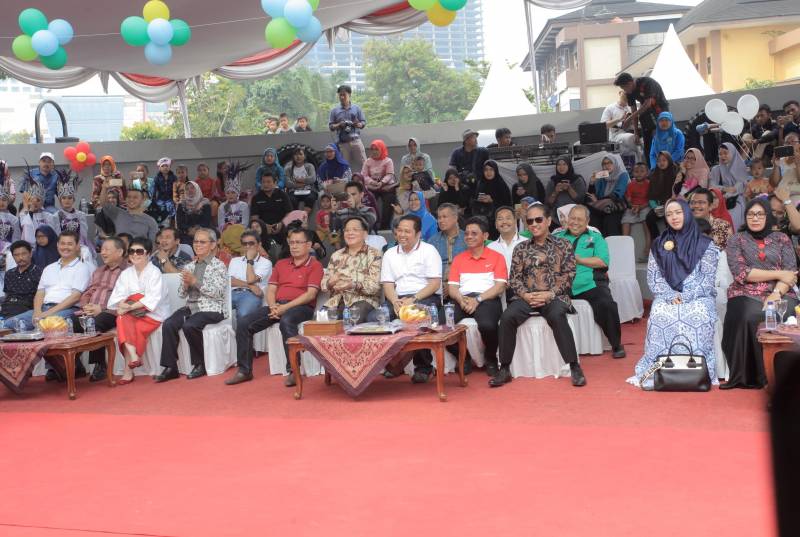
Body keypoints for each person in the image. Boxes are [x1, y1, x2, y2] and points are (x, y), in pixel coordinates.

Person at [627, 199, 719, 389]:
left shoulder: (705, 244)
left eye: (678, 212)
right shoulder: (659, 244)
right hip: (668, 295)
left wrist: (686, 296)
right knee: (659, 313)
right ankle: (661, 370)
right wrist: (669, 295)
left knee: (699, 314)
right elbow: (654, 278)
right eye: (669, 214)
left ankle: (699, 371)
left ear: (687, 213)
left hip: (698, 296)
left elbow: (707, 278)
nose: (674, 217)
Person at [495, 203, 585, 388]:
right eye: (530, 221)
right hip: (527, 297)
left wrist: (549, 294)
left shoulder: (563, 245)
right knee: (507, 317)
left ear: (549, 221)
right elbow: (514, 278)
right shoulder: (521, 248)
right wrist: (526, 295)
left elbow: (569, 275)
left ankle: (574, 366)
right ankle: (504, 368)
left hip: (555, 297)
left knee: (557, 315)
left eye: (538, 219)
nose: (534, 224)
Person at [226, 228, 322, 386]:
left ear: (309, 245)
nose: (294, 246)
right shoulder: (281, 264)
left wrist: (285, 308)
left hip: (301, 307)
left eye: (298, 242)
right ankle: (244, 370)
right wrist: (273, 306)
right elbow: (271, 290)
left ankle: (293, 370)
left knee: (286, 321)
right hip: (277, 305)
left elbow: (310, 295)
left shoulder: (315, 265)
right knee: (244, 323)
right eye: (291, 242)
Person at [722, 198, 798, 389]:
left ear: (768, 216)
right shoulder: (736, 239)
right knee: (748, 314)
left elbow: (791, 273)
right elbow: (742, 273)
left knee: (788, 312)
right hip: (745, 291)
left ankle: (784, 376)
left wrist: (776, 293)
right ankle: (751, 376)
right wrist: (779, 273)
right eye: (750, 214)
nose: (755, 218)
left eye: (760, 214)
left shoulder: (782, 238)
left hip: (781, 290)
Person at [156, 228, 228, 382]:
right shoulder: (189, 266)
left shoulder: (219, 266)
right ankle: (170, 367)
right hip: (191, 307)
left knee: (190, 325)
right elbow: (182, 294)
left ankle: (200, 364)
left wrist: (195, 281)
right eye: (196, 241)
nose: (198, 245)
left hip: (212, 308)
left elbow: (217, 293)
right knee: (169, 324)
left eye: (202, 242)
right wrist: (186, 284)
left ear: (212, 245)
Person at [555, 205, 625, 358]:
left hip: (589, 284)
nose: (575, 222)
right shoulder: (557, 237)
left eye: (579, 219)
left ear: (587, 221)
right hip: (561, 285)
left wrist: (579, 260)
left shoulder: (595, 237)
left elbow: (602, 261)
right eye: (572, 218)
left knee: (607, 304)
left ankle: (616, 344)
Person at [380, 215, 443, 383]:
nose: (402, 234)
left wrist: (413, 299)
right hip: (398, 298)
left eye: (407, 231)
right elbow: (387, 284)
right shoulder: (390, 253)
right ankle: (392, 364)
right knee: (376, 317)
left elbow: (435, 284)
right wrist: (395, 301)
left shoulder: (429, 250)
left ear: (418, 234)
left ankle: (424, 368)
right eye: (399, 230)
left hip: (424, 296)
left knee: (415, 317)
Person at [447, 217, 507, 376]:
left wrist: (478, 299)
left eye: (474, 233)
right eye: (466, 233)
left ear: (485, 236)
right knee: (438, 326)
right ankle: (463, 356)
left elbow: (500, 287)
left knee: (488, 325)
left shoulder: (497, 257)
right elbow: (452, 288)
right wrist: (461, 300)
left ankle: (491, 358)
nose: (469, 236)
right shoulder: (459, 259)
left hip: (487, 299)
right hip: (462, 298)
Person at [107, 237, 170, 384]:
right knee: (122, 319)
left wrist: (129, 306)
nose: (135, 254)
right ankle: (133, 357)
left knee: (123, 321)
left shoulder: (154, 272)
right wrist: (123, 305)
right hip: (130, 313)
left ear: (148, 253)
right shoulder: (126, 273)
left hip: (152, 314)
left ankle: (128, 370)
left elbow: (153, 298)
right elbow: (117, 296)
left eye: (139, 251)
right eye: (132, 251)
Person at [73, 236, 128, 382]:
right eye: (102, 249)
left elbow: (126, 296)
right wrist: (86, 305)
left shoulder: (127, 271)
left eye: (107, 249)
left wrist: (101, 308)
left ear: (120, 252)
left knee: (94, 323)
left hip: (112, 311)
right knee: (70, 322)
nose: (102, 253)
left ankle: (100, 364)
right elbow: (89, 291)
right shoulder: (98, 271)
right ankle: (76, 365)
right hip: (90, 310)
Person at [321, 216, 382, 322]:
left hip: (363, 301)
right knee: (319, 324)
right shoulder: (336, 255)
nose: (350, 233)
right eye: (347, 230)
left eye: (355, 230)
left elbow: (374, 287)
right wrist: (330, 282)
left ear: (365, 233)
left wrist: (352, 285)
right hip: (336, 302)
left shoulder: (375, 254)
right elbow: (323, 285)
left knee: (352, 319)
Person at [614, 73, 669, 162]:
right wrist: (636, 133)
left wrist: (629, 119)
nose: (624, 90)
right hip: (646, 114)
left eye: (625, 87)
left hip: (659, 111)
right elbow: (634, 110)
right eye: (622, 88)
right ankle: (651, 167)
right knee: (647, 146)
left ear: (630, 83)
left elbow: (647, 104)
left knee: (659, 143)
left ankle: (665, 165)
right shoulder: (629, 93)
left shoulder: (646, 83)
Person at [228, 229, 273, 322]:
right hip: (232, 293)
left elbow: (251, 279)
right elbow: (230, 281)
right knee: (215, 310)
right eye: (244, 244)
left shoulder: (266, 263)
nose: (247, 246)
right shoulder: (235, 260)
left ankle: (240, 332)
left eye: (251, 243)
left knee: (243, 314)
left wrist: (250, 260)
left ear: (259, 245)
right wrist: (250, 286)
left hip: (251, 295)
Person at [427, 203, 467, 299]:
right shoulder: (433, 241)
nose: (441, 220)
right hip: (438, 287)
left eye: (444, 217)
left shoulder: (467, 239)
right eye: (439, 217)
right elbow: (428, 268)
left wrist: (452, 285)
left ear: (455, 218)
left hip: (463, 285)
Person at [0, 241, 42, 329]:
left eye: (24, 254)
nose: (20, 258)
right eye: (16, 255)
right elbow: (7, 295)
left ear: (30, 254)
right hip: (6, 311)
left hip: (26, 313)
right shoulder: (9, 273)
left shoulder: (40, 272)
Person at [586, 153, 629, 236]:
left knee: (610, 220)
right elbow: (591, 195)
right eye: (604, 164)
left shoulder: (623, 175)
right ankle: (596, 242)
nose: (607, 166)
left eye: (610, 163)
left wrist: (598, 201)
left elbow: (618, 194)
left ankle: (612, 243)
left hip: (616, 206)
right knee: (593, 220)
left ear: (614, 163)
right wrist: (592, 183)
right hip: (602, 208)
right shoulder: (602, 177)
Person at [710, 142, 749, 230]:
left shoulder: (740, 168)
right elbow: (711, 186)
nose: (722, 156)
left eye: (725, 153)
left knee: (733, 214)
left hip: (736, 201)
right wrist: (725, 189)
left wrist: (727, 193)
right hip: (719, 200)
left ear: (732, 153)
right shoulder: (716, 170)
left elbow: (737, 188)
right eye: (720, 154)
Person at [329, 84, 368, 172]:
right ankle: (347, 181)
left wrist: (357, 124)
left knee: (364, 164)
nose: (342, 97)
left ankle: (366, 180)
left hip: (356, 141)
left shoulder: (356, 108)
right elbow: (331, 126)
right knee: (344, 167)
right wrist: (339, 125)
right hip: (342, 143)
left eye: (344, 95)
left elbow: (363, 123)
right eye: (340, 95)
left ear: (349, 94)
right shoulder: (334, 111)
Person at [250, 172, 293, 245]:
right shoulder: (256, 198)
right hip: (263, 228)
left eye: (268, 182)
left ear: (275, 183)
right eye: (263, 182)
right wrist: (264, 226)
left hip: (281, 226)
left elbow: (289, 213)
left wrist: (281, 224)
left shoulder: (282, 195)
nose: (265, 184)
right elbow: (254, 217)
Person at [362, 139, 396, 230]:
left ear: (382, 149)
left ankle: (385, 226)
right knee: (368, 198)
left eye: (376, 149)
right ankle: (371, 225)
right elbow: (364, 175)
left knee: (389, 199)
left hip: (386, 186)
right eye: (372, 149)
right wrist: (372, 182)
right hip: (372, 186)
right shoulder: (368, 161)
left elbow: (390, 174)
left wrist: (382, 182)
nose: (374, 152)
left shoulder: (388, 161)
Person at [645, 151, 678, 244]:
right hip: (659, 207)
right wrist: (655, 207)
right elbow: (651, 195)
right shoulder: (654, 175)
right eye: (659, 161)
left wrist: (667, 206)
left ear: (669, 161)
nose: (661, 163)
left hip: (671, 204)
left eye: (664, 160)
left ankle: (672, 242)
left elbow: (677, 192)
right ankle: (657, 241)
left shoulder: (675, 174)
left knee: (669, 218)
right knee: (649, 218)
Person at [488, 206, 529, 278]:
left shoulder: (528, 243)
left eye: (508, 218)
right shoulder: (490, 248)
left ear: (515, 221)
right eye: (500, 219)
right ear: (496, 224)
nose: (504, 222)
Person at [472, 161, 512, 235]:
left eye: (491, 169)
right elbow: (474, 201)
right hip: (483, 221)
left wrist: (492, 201)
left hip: (498, 221)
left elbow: (507, 204)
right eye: (486, 170)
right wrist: (479, 200)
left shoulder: (501, 185)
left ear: (495, 171)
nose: (488, 172)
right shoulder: (480, 184)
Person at [621, 162, 651, 256]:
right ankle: (624, 247)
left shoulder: (649, 184)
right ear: (633, 173)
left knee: (646, 221)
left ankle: (648, 247)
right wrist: (632, 207)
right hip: (633, 207)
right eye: (636, 171)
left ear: (647, 173)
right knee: (625, 221)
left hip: (645, 206)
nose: (639, 174)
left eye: (642, 171)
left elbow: (650, 200)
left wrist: (640, 207)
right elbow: (628, 200)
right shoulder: (630, 185)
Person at [546, 158, 587, 226]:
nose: (561, 167)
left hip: (575, 211)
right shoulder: (552, 181)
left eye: (564, 164)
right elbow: (548, 202)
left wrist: (569, 189)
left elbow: (581, 200)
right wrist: (555, 191)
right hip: (557, 212)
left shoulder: (577, 179)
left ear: (569, 165)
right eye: (559, 165)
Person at [55, 172, 90, 249]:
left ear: (73, 199)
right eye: (64, 198)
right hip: (63, 247)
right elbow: (57, 236)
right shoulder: (56, 216)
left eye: (70, 198)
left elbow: (83, 235)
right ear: (60, 200)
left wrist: (78, 247)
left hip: (78, 246)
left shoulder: (80, 215)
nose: (67, 200)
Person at [18, 179, 58, 245]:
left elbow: (53, 233)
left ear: (42, 202)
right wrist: (30, 210)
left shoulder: (48, 216)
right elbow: (26, 228)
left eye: (38, 200)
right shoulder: (24, 215)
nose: (34, 203)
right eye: (31, 200)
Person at [601, 90, 638, 157]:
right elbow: (603, 126)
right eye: (625, 93)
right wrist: (619, 119)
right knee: (631, 138)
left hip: (632, 132)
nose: (626, 96)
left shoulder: (632, 108)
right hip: (617, 135)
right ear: (620, 93)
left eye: (628, 94)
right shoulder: (610, 108)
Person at [769, 132, 800, 203]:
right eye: (787, 142)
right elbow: (774, 183)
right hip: (781, 195)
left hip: (796, 195)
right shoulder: (781, 160)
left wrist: (797, 163)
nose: (790, 144)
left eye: (793, 141)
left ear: (798, 144)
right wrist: (776, 165)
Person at [284, 147, 318, 212]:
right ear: (293, 157)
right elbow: (287, 183)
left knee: (311, 198)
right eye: (296, 155)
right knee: (291, 200)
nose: (298, 156)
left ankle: (303, 216)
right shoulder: (288, 169)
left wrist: (300, 180)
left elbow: (313, 178)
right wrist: (297, 185)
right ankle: (296, 216)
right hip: (293, 191)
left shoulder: (310, 166)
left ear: (304, 156)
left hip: (309, 190)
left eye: (300, 154)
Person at [152, 157, 177, 224]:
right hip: (160, 198)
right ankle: (161, 223)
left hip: (170, 198)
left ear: (170, 167)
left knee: (171, 209)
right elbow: (154, 189)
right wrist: (154, 199)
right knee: (160, 209)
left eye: (167, 166)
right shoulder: (157, 178)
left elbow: (175, 188)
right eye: (163, 166)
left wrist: (175, 198)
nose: (165, 167)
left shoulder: (173, 177)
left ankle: (172, 223)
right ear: (159, 168)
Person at [0, 176, 20, 255]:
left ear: (8, 201)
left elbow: (16, 238)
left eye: (4, 200)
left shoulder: (14, 219)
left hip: (9, 251)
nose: (1, 202)